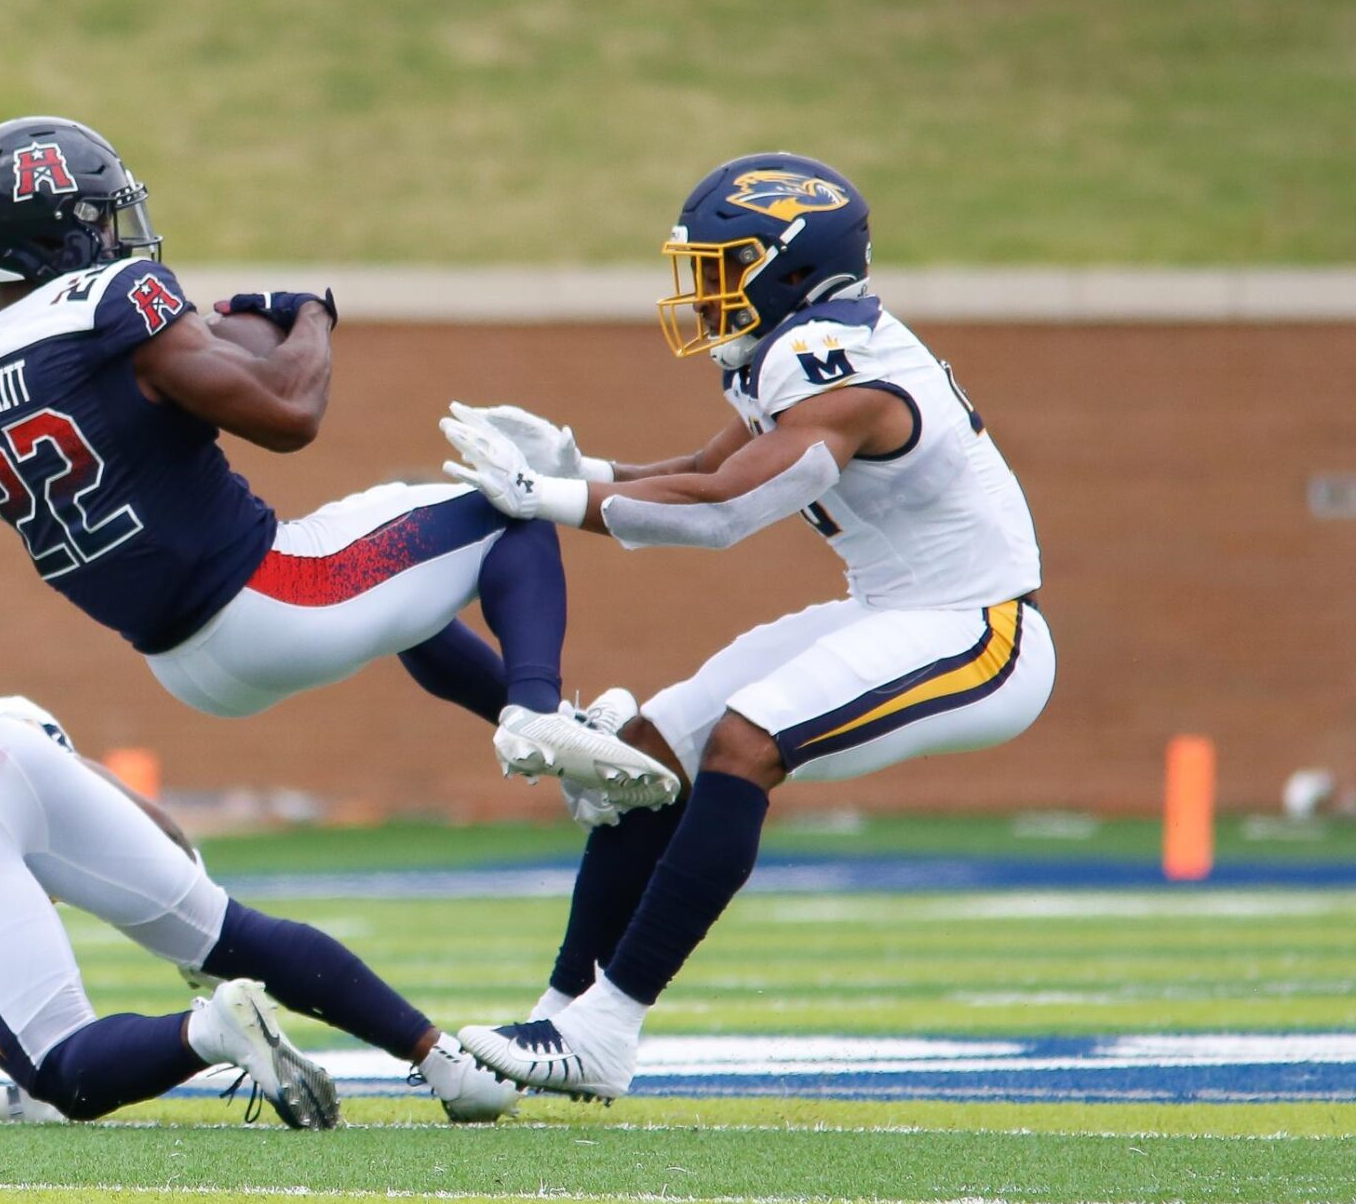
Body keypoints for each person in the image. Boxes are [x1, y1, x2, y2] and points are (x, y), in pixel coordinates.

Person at [442, 153, 1056, 1100]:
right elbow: (698, 465)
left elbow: (726, 507)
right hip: (892, 609)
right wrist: (581, 463)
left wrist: (549, 496)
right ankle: (562, 1014)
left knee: (744, 742)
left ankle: (609, 1029)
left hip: (979, 631)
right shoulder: (799, 346)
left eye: (724, 265)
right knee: (647, 756)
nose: (702, 290)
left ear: (792, 266)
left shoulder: (841, 367)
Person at [0, 116, 668, 794]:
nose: (119, 234)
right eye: (101, 217)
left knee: (406, 546)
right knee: (507, 504)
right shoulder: (116, 303)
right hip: (280, 595)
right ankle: (537, 715)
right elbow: (290, 415)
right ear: (64, 231)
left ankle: (559, 736)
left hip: (183, 665)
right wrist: (313, 316)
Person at [0, 694, 519, 1125]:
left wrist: (11, 1102)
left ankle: (212, 1032)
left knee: (60, 1066)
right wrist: (189, 917)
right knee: (233, 932)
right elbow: (106, 789)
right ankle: (447, 1061)